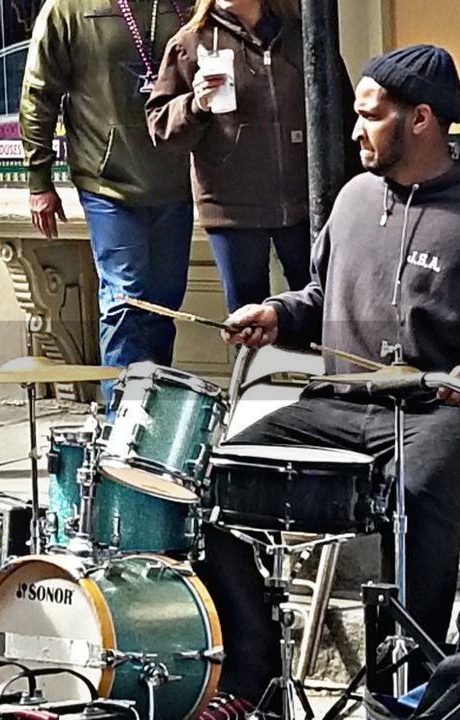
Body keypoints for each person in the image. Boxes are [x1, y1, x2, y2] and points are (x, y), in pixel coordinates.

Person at [196, 45, 460, 717]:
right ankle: (252, 662)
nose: (354, 131)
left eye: (370, 116)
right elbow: (317, 297)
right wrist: (274, 314)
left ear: (422, 119)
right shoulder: (352, 198)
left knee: (422, 485)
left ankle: (412, 684)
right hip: (337, 405)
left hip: (433, 413)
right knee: (204, 466)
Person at [146, 0, 356, 311]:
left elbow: (343, 117)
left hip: (307, 203)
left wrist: (351, 191)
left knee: (322, 308)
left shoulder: (304, 33)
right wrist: (196, 104)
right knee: (248, 321)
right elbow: (161, 127)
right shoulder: (190, 43)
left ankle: (316, 363)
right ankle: (255, 363)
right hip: (232, 209)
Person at [21, 0, 194, 376]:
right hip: (108, 180)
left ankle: (154, 415)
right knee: (125, 299)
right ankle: (121, 422)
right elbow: (38, 93)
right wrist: (39, 181)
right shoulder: (66, 9)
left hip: (177, 179)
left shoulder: (187, 4)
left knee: (163, 306)